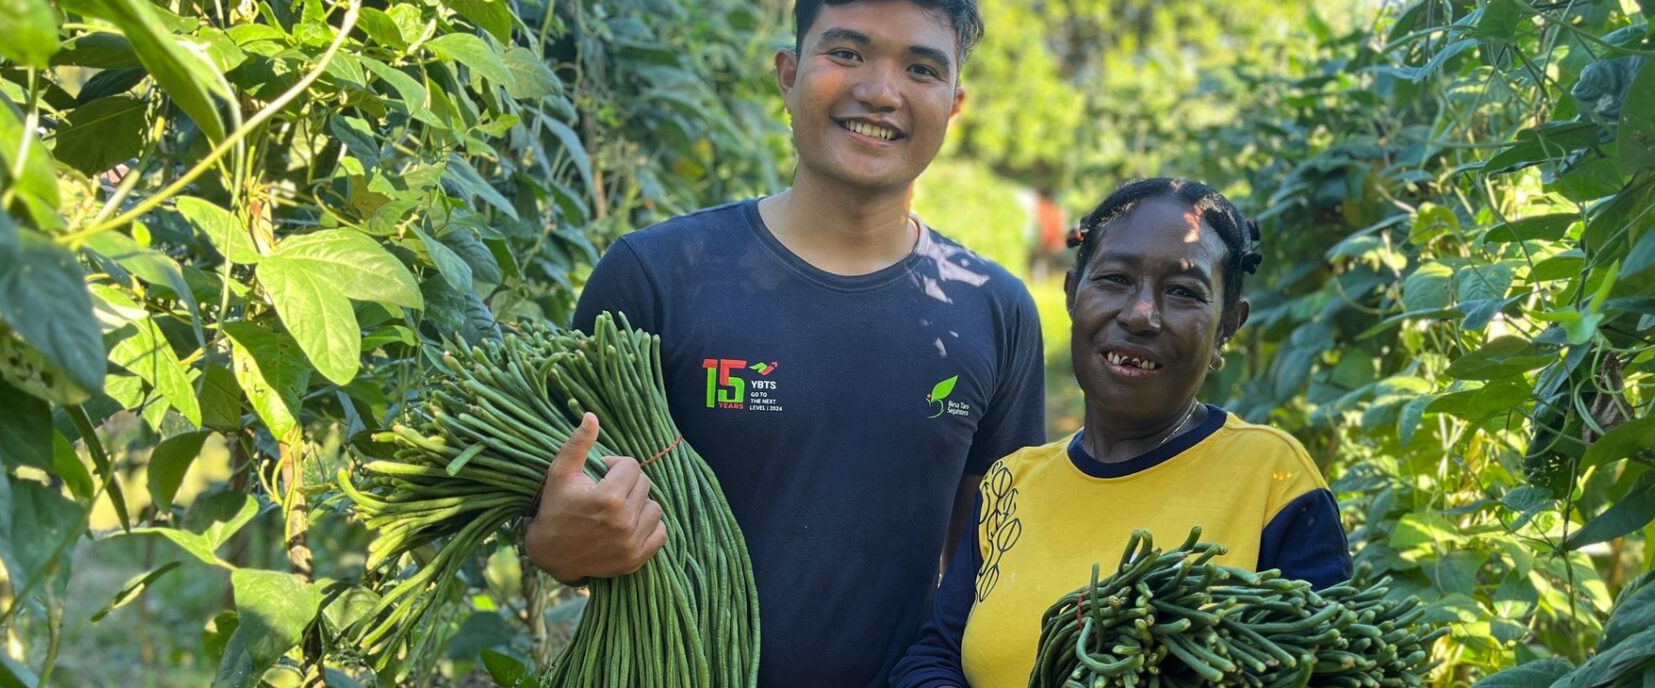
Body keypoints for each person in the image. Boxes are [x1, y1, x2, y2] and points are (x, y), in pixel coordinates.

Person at [520, 1, 1048, 685]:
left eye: (920, 68)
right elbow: (548, 513)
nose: (880, 93)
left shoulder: (993, 309)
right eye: (848, 53)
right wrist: (552, 542)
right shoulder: (657, 277)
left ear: (953, 105)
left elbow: (989, 568)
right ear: (788, 74)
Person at [890, 178, 1354, 688]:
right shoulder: (1012, 484)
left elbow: (1329, 664)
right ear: (1072, 294)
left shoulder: (1272, 479)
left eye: (1183, 292)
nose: (1140, 314)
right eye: (1115, 279)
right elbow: (936, 654)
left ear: (1228, 326)